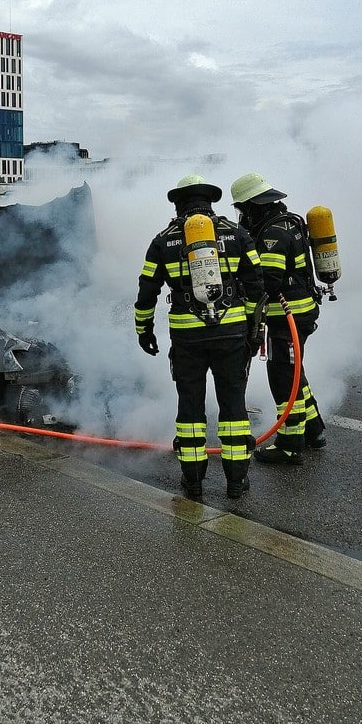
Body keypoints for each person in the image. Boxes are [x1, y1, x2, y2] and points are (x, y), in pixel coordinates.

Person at [134, 175, 264, 500]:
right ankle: (236, 482)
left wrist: (144, 330)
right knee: (233, 406)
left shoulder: (163, 240)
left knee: (190, 408)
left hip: (187, 338)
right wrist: (253, 329)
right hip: (232, 334)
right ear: (210, 202)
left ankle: (193, 481)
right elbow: (256, 285)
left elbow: (147, 289)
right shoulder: (237, 235)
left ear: (179, 204)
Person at [230, 171, 326, 464]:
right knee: (296, 371)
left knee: (283, 376)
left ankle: (289, 444)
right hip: (302, 311)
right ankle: (314, 429)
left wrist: (240, 289)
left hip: (288, 319)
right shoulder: (291, 221)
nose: (242, 217)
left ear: (252, 206)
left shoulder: (272, 234)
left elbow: (267, 281)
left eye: (243, 210)